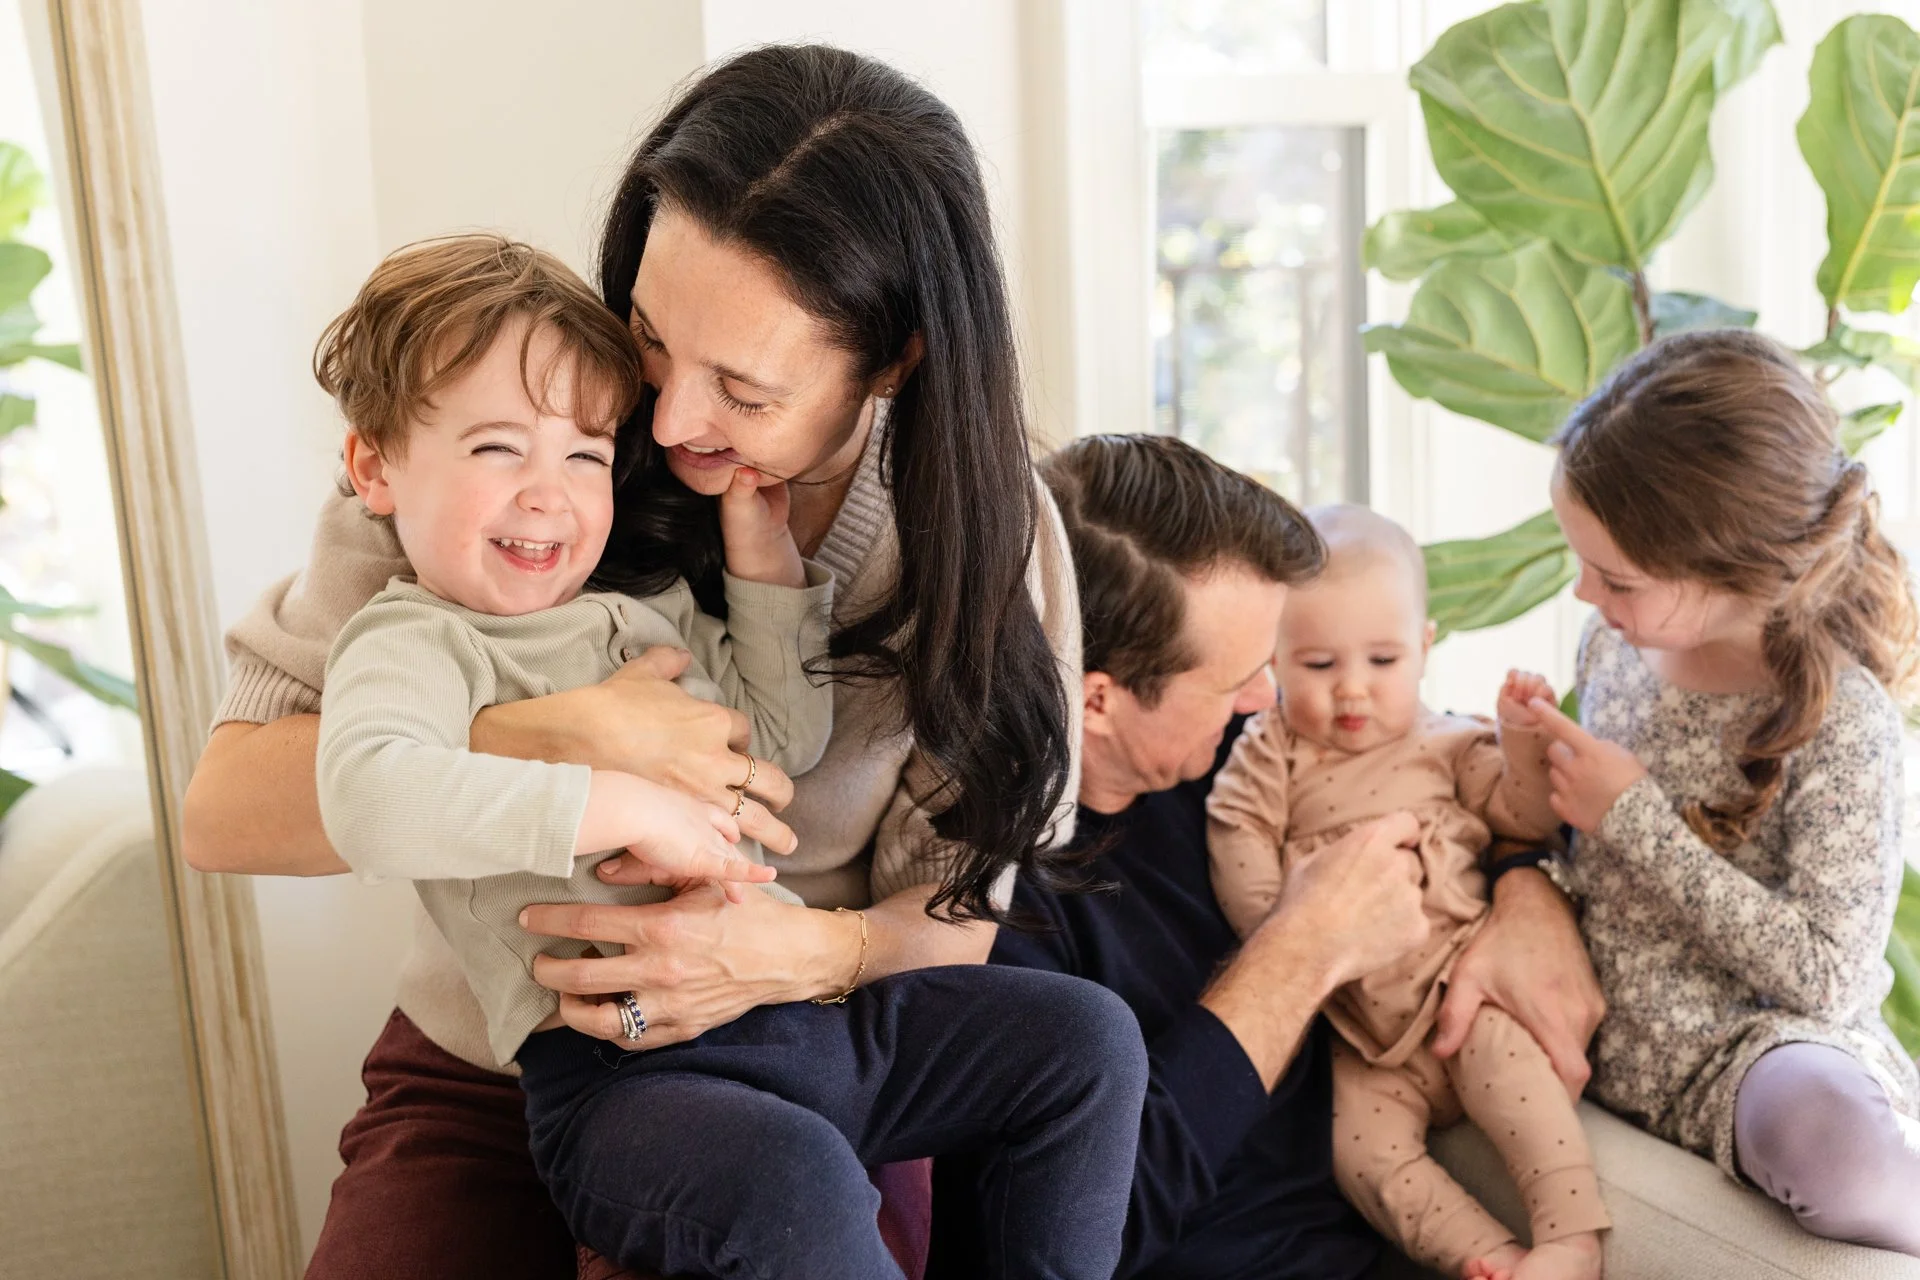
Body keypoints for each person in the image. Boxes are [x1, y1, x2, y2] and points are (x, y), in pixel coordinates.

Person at [182, 45, 1092, 1279]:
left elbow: (947, 913)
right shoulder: (498, 448)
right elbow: (227, 809)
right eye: (654, 339)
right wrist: (561, 735)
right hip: (507, 1054)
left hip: (802, 1036)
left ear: (893, 363)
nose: (661, 426)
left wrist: (795, 955)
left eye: (743, 389)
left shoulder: (989, 540)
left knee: (975, 1098)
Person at [310, 232, 1144, 1279]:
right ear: (374, 467)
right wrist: (613, 799)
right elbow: (368, 796)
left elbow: (780, 743)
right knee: (792, 1181)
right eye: (496, 451)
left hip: (801, 1016)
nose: (547, 492)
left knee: (1085, 1039)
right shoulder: (411, 639)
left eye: (583, 453)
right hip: (627, 1079)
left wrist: (765, 569)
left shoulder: (630, 612)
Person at [930, 434, 1611, 1280]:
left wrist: (1523, 888)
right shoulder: (978, 905)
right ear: (1098, 700)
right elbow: (1079, 1240)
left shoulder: (1236, 755)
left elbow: (1450, 772)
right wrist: (1303, 946)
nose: (1268, 700)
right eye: (1238, 678)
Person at [1520, 328, 1920, 1256]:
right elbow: (1569, 848)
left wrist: (1634, 822)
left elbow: (1831, 977)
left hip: (1745, 1056)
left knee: (1840, 1149)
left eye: (1615, 577)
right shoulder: (1617, 645)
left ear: (1737, 569)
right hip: (1598, 1023)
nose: (1586, 594)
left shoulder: (1842, 720)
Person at [1208, 505, 1608, 1280]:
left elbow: (1523, 816)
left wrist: (1522, 740)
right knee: (1357, 1150)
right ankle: (1482, 1253)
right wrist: (1288, 932)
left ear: (1424, 650)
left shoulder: (1449, 742)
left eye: (1382, 662)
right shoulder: (1272, 752)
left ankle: (1570, 1238)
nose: (1351, 691)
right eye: (1319, 666)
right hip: (1362, 1037)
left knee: (1521, 1089)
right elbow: (1236, 834)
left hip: (1466, 991)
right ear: (1276, 663)